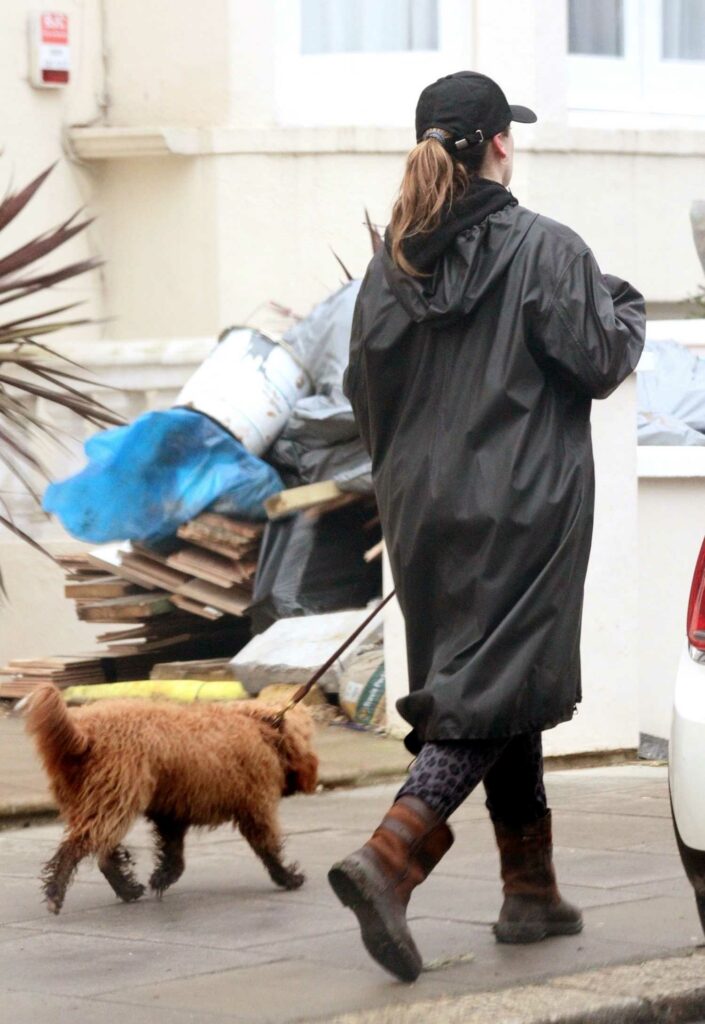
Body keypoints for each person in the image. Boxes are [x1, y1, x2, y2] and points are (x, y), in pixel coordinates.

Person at [327, 71, 645, 983]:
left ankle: (529, 890)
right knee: (491, 686)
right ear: (500, 144)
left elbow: (362, 392)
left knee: (495, 681)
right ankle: (391, 857)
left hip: (425, 511)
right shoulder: (545, 247)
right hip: (526, 506)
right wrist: (623, 309)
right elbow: (593, 359)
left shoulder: (393, 264)